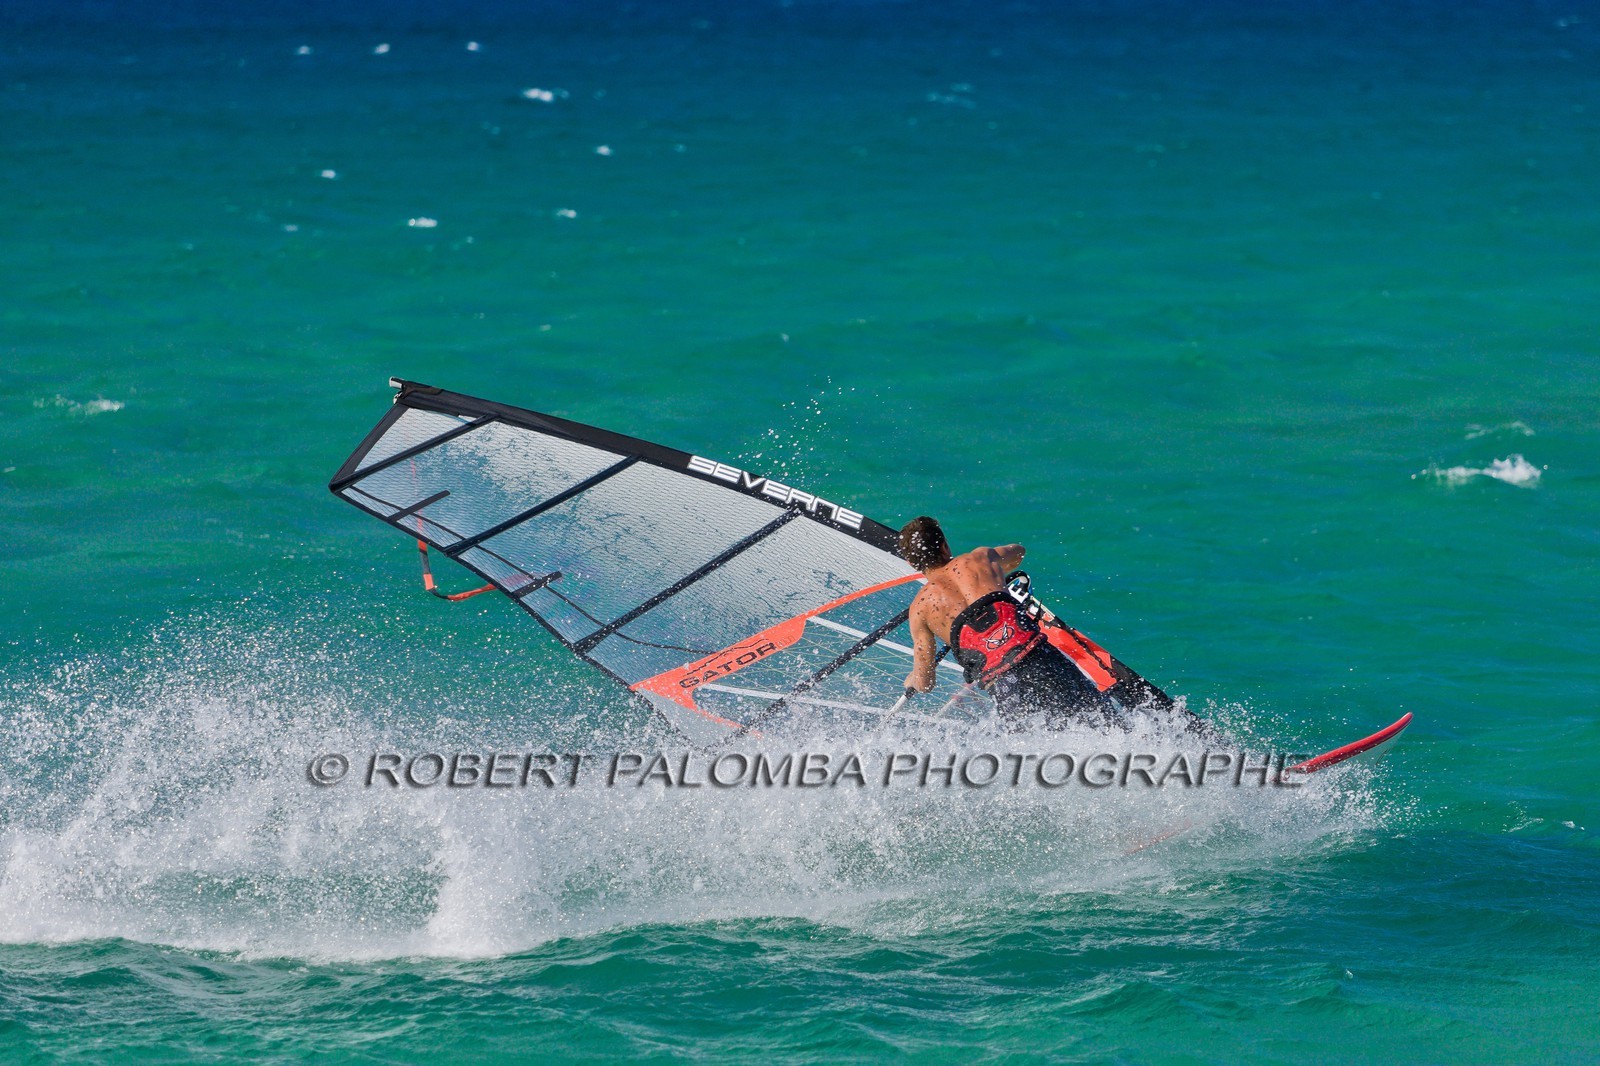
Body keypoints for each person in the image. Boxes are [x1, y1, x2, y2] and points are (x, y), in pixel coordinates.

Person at [899, 515, 1126, 731]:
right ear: (945, 546)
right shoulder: (980, 559)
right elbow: (1019, 551)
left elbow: (925, 683)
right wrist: (994, 569)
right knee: (1108, 725)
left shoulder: (920, 609)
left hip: (1006, 685)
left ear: (911, 563)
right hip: (1041, 660)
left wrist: (913, 679)